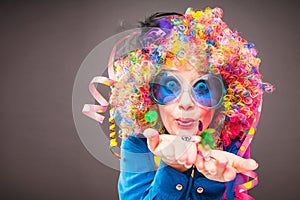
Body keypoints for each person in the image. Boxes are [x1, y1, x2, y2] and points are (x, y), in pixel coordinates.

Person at [83, 7, 273, 200]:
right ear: (147, 95)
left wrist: (215, 183)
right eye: (170, 85)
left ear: (223, 99)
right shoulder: (138, 141)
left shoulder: (229, 140)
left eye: (203, 88)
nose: (186, 103)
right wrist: (173, 168)